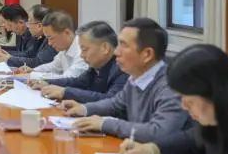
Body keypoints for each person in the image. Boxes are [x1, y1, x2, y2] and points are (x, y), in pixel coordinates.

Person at [61, 17, 189, 142]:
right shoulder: (136, 77)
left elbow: (158, 131)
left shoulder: (171, 86)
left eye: (124, 45)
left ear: (147, 54)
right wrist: (84, 108)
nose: (116, 52)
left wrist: (104, 124)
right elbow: (115, 104)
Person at [34, 21, 126, 103]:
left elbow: (110, 100)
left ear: (105, 48)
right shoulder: (96, 67)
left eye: (84, 49)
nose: (81, 55)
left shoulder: (122, 69)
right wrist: (48, 82)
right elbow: (78, 82)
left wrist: (66, 92)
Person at [15, 11, 88, 79]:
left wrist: (32, 75)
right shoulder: (65, 49)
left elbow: (68, 79)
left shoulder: (82, 51)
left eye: (50, 38)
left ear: (67, 33)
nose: (49, 43)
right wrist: (33, 70)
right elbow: (53, 66)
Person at [7, 4, 57, 69]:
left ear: (39, 26)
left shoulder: (52, 39)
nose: (27, 26)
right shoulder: (40, 37)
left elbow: (37, 62)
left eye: (29, 22)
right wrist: (6, 55)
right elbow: (30, 54)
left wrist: (8, 59)